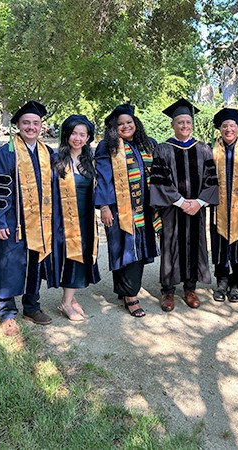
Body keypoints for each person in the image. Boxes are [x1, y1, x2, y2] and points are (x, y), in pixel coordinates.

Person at [0, 100, 54, 336]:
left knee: (35, 263)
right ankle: (7, 312)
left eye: (35, 123)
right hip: (12, 221)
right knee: (8, 264)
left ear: (42, 126)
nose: (31, 127)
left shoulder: (47, 153)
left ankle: (31, 306)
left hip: (40, 222)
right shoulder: (4, 153)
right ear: (17, 125)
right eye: (26, 122)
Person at [150, 98, 219, 312]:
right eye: (180, 122)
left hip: (196, 209)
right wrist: (181, 202)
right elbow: (160, 180)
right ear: (173, 125)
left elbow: (211, 179)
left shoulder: (204, 150)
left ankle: (190, 288)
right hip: (172, 208)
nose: (185, 126)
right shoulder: (163, 149)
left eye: (188, 122)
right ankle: (168, 291)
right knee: (171, 244)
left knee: (194, 244)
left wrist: (198, 202)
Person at [95, 104, 159, 317]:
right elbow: (103, 177)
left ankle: (126, 291)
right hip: (118, 207)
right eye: (120, 124)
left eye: (129, 122)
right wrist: (104, 206)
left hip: (145, 208)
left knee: (137, 249)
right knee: (123, 248)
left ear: (136, 123)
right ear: (114, 127)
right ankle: (131, 296)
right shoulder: (108, 147)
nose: (125, 126)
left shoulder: (148, 144)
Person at [52, 114, 100, 321]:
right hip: (63, 218)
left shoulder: (91, 161)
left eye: (83, 134)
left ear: (88, 137)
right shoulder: (55, 160)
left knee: (82, 257)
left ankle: (71, 298)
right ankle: (65, 302)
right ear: (66, 134)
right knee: (70, 257)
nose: (78, 138)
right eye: (74, 133)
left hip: (86, 218)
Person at [210, 108, 238, 303]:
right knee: (219, 245)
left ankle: (236, 284)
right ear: (220, 128)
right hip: (219, 207)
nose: (228, 129)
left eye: (232, 125)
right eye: (224, 126)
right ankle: (222, 281)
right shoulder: (212, 151)